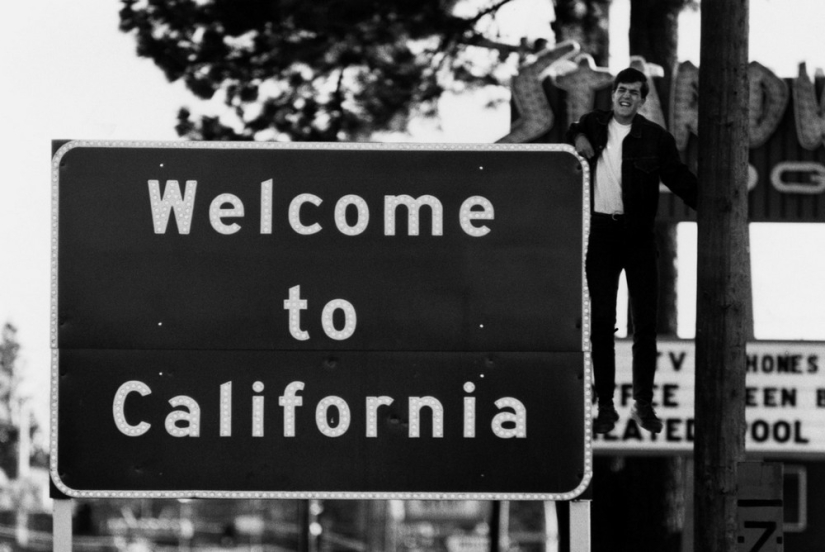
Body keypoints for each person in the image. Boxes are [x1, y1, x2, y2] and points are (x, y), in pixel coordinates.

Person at [566, 67, 698, 434]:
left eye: (633, 92)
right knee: (602, 324)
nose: (625, 96)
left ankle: (643, 403)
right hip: (602, 236)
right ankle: (604, 404)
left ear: (642, 99)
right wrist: (578, 136)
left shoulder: (656, 138)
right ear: (613, 94)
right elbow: (572, 129)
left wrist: (715, 203)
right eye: (620, 90)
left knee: (646, 326)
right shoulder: (593, 124)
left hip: (638, 237)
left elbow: (678, 177)